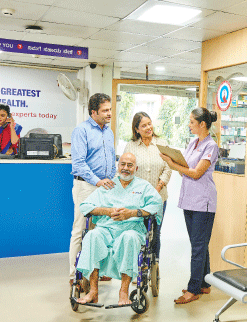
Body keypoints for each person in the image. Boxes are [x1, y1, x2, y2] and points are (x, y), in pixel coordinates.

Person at [76, 153, 163, 306]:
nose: (126, 168)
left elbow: (156, 205)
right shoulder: (108, 186)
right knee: (92, 236)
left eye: (130, 165)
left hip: (132, 229)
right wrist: (106, 211)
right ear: (118, 166)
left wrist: (132, 213)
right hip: (106, 229)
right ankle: (93, 291)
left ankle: (123, 292)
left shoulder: (143, 187)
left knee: (128, 238)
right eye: (123, 164)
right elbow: (85, 206)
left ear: (136, 168)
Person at [160, 107, 219, 304]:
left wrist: (171, 163)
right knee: (198, 243)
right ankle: (204, 283)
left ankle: (193, 289)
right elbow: (185, 169)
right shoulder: (193, 143)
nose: (189, 125)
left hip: (203, 202)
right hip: (189, 200)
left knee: (198, 246)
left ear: (202, 124)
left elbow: (195, 173)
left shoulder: (211, 146)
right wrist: (176, 164)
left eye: (192, 122)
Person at [69, 93, 116, 285]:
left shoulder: (109, 132)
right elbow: (79, 163)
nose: (109, 113)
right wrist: (98, 181)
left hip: (104, 186)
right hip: (87, 186)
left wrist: (111, 178)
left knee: (100, 230)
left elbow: (112, 159)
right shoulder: (81, 130)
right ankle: (74, 276)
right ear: (93, 112)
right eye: (105, 110)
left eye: (110, 109)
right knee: (80, 230)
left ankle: (96, 272)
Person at [123, 112, 171, 260]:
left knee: (155, 232)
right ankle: (136, 268)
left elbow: (168, 168)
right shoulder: (131, 146)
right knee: (136, 231)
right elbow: (125, 169)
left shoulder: (161, 144)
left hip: (158, 197)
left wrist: (158, 187)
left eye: (149, 124)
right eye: (143, 126)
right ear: (136, 129)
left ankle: (154, 266)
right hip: (136, 198)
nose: (148, 127)